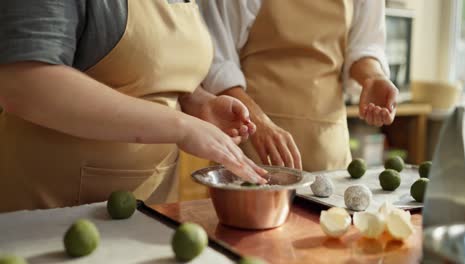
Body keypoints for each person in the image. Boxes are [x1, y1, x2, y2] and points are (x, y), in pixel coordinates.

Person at [0, 0, 267, 213]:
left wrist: (196, 101)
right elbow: (23, 82)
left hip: (149, 212)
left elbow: (151, 64)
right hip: (48, 211)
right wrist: (181, 126)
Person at [200, 0, 399, 172]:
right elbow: (217, 60)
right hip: (253, 142)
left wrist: (373, 77)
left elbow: (364, 46)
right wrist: (257, 123)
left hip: (328, 148)